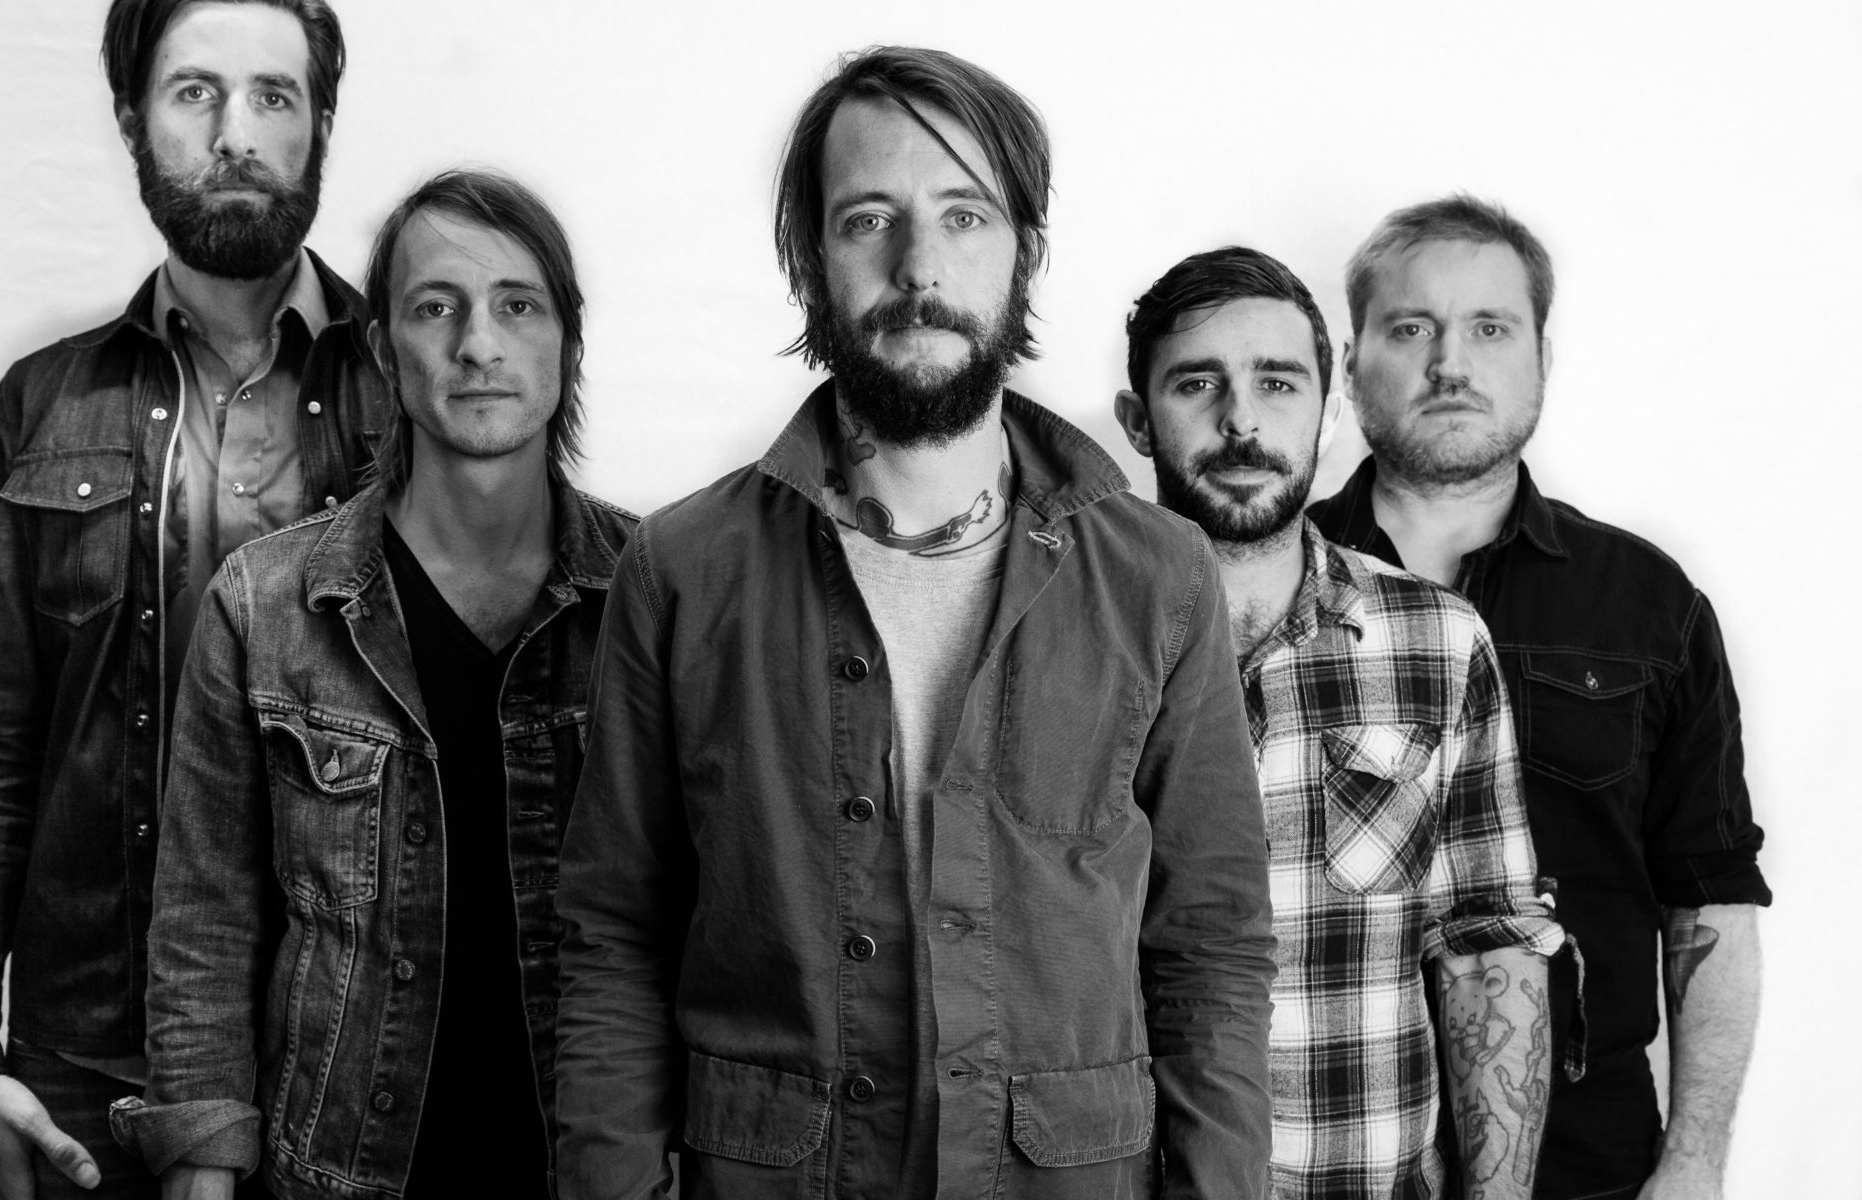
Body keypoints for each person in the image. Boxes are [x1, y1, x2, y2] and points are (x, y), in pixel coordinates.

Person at [553, 46, 1276, 1200]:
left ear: (1026, 251)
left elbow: (1211, 951)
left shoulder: (1158, 575)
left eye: (963, 215)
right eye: (867, 219)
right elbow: (612, 939)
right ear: (808, 257)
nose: (918, 265)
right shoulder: (681, 569)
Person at [0, 2, 386, 1196]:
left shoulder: (413, 387)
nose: (236, 133)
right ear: (131, 120)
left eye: (273, 95)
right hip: (91, 1066)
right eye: (193, 92)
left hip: (355, 1057)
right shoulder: (45, 402)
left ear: (322, 122)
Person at [103, 169, 633, 1199]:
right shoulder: (264, 603)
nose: (478, 344)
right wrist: (201, 1165)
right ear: (385, 349)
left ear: (568, 342)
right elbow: (205, 925)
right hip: (337, 1171)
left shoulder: (656, 596)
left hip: (589, 1170)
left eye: (517, 306)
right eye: (436, 308)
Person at [1310, 197, 1770, 1200]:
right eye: (1410, 328)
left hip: (1586, 1159)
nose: (1449, 362)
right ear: (1350, 363)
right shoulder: (1268, 585)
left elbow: (1709, 894)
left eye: (1489, 327)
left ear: (1541, 359)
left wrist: (1694, 1161)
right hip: (1325, 1148)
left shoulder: (1645, 605)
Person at [1115, 246, 1564, 1199]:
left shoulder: (1436, 641)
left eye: (1278, 384)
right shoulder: (1068, 642)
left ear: (1327, 409)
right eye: (1198, 384)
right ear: (1136, 420)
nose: (1242, 421)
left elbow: (1488, 949)